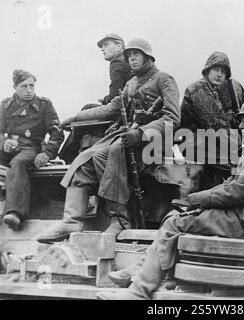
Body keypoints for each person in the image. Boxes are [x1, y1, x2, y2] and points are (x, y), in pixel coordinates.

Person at [96, 99, 244, 300]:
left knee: (175, 224)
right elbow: (230, 185)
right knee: (174, 215)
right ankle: (140, 272)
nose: (240, 126)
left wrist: (197, 198)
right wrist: (198, 199)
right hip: (240, 215)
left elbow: (236, 192)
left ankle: (139, 292)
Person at [36, 38, 180, 242]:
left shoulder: (164, 79)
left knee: (112, 152)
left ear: (148, 56)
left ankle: (120, 220)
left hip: (151, 142)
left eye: (136, 55)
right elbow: (110, 109)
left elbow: (172, 118)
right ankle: (71, 221)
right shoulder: (131, 83)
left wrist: (142, 133)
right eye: (129, 56)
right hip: (126, 135)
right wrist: (76, 117)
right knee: (85, 157)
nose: (131, 60)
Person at [0, 70, 64, 230]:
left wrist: (47, 153)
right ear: (15, 87)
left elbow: (57, 132)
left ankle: (14, 213)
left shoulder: (44, 105)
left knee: (19, 163)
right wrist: (3, 142)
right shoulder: (6, 105)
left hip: (31, 147)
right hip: (8, 147)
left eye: (31, 86)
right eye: (24, 86)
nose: (29, 90)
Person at [59, 33, 133, 163]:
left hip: (122, 113)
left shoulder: (117, 61)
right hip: (127, 108)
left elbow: (115, 94)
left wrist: (106, 100)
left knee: (87, 109)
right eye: (101, 47)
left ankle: (67, 155)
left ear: (119, 46)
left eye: (106, 45)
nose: (102, 49)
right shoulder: (127, 61)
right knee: (89, 110)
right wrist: (106, 99)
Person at [180, 51, 244, 187]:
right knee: (237, 166)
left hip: (213, 140)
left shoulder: (227, 89)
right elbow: (214, 124)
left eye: (223, 71)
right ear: (207, 70)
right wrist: (240, 149)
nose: (219, 74)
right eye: (216, 69)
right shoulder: (197, 89)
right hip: (194, 140)